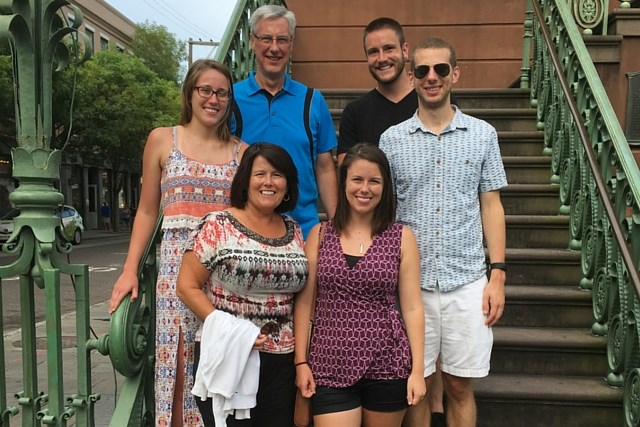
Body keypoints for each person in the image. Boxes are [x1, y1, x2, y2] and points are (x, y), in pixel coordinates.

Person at [108, 59, 247, 426]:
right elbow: (147, 212)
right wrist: (130, 269)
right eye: (206, 90)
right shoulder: (162, 139)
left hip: (224, 277)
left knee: (223, 374)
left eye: (222, 93)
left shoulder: (242, 152)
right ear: (190, 93)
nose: (213, 99)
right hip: (174, 276)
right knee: (180, 370)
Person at [379, 37, 507, 427]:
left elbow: (491, 205)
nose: (431, 78)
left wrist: (497, 274)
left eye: (439, 69)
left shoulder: (483, 134)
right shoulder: (392, 140)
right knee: (415, 382)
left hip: (466, 280)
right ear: (412, 77)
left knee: (458, 385)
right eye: (422, 70)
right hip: (410, 283)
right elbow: (385, 214)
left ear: (455, 73)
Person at [339, 17, 448, 425]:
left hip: (427, 242)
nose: (382, 58)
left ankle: (433, 414)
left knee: (426, 347)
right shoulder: (356, 112)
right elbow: (346, 175)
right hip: (377, 241)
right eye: (373, 51)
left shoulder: (429, 99)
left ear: (406, 52)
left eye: (389, 49)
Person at [176, 142, 308, 426]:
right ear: (245, 180)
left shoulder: (295, 231)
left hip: (282, 364)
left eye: (278, 174)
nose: (269, 182)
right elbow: (186, 285)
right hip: (228, 355)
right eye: (260, 174)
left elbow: (301, 299)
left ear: (288, 184)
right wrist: (233, 330)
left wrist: (300, 360)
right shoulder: (217, 225)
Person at [294, 143, 426, 427]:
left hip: (387, 363)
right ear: (343, 184)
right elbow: (304, 303)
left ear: (385, 186)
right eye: (357, 179)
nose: (364, 189)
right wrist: (301, 362)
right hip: (328, 363)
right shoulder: (320, 235)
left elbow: (413, 307)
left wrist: (417, 370)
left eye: (374, 181)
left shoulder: (401, 238)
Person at [231, 4, 338, 239]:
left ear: (291, 44)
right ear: (252, 40)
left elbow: (324, 166)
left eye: (282, 39)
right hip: (244, 234)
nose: (274, 48)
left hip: (304, 233)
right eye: (266, 38)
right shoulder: (230, 99)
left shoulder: (312, 100)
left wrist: (336, 225)